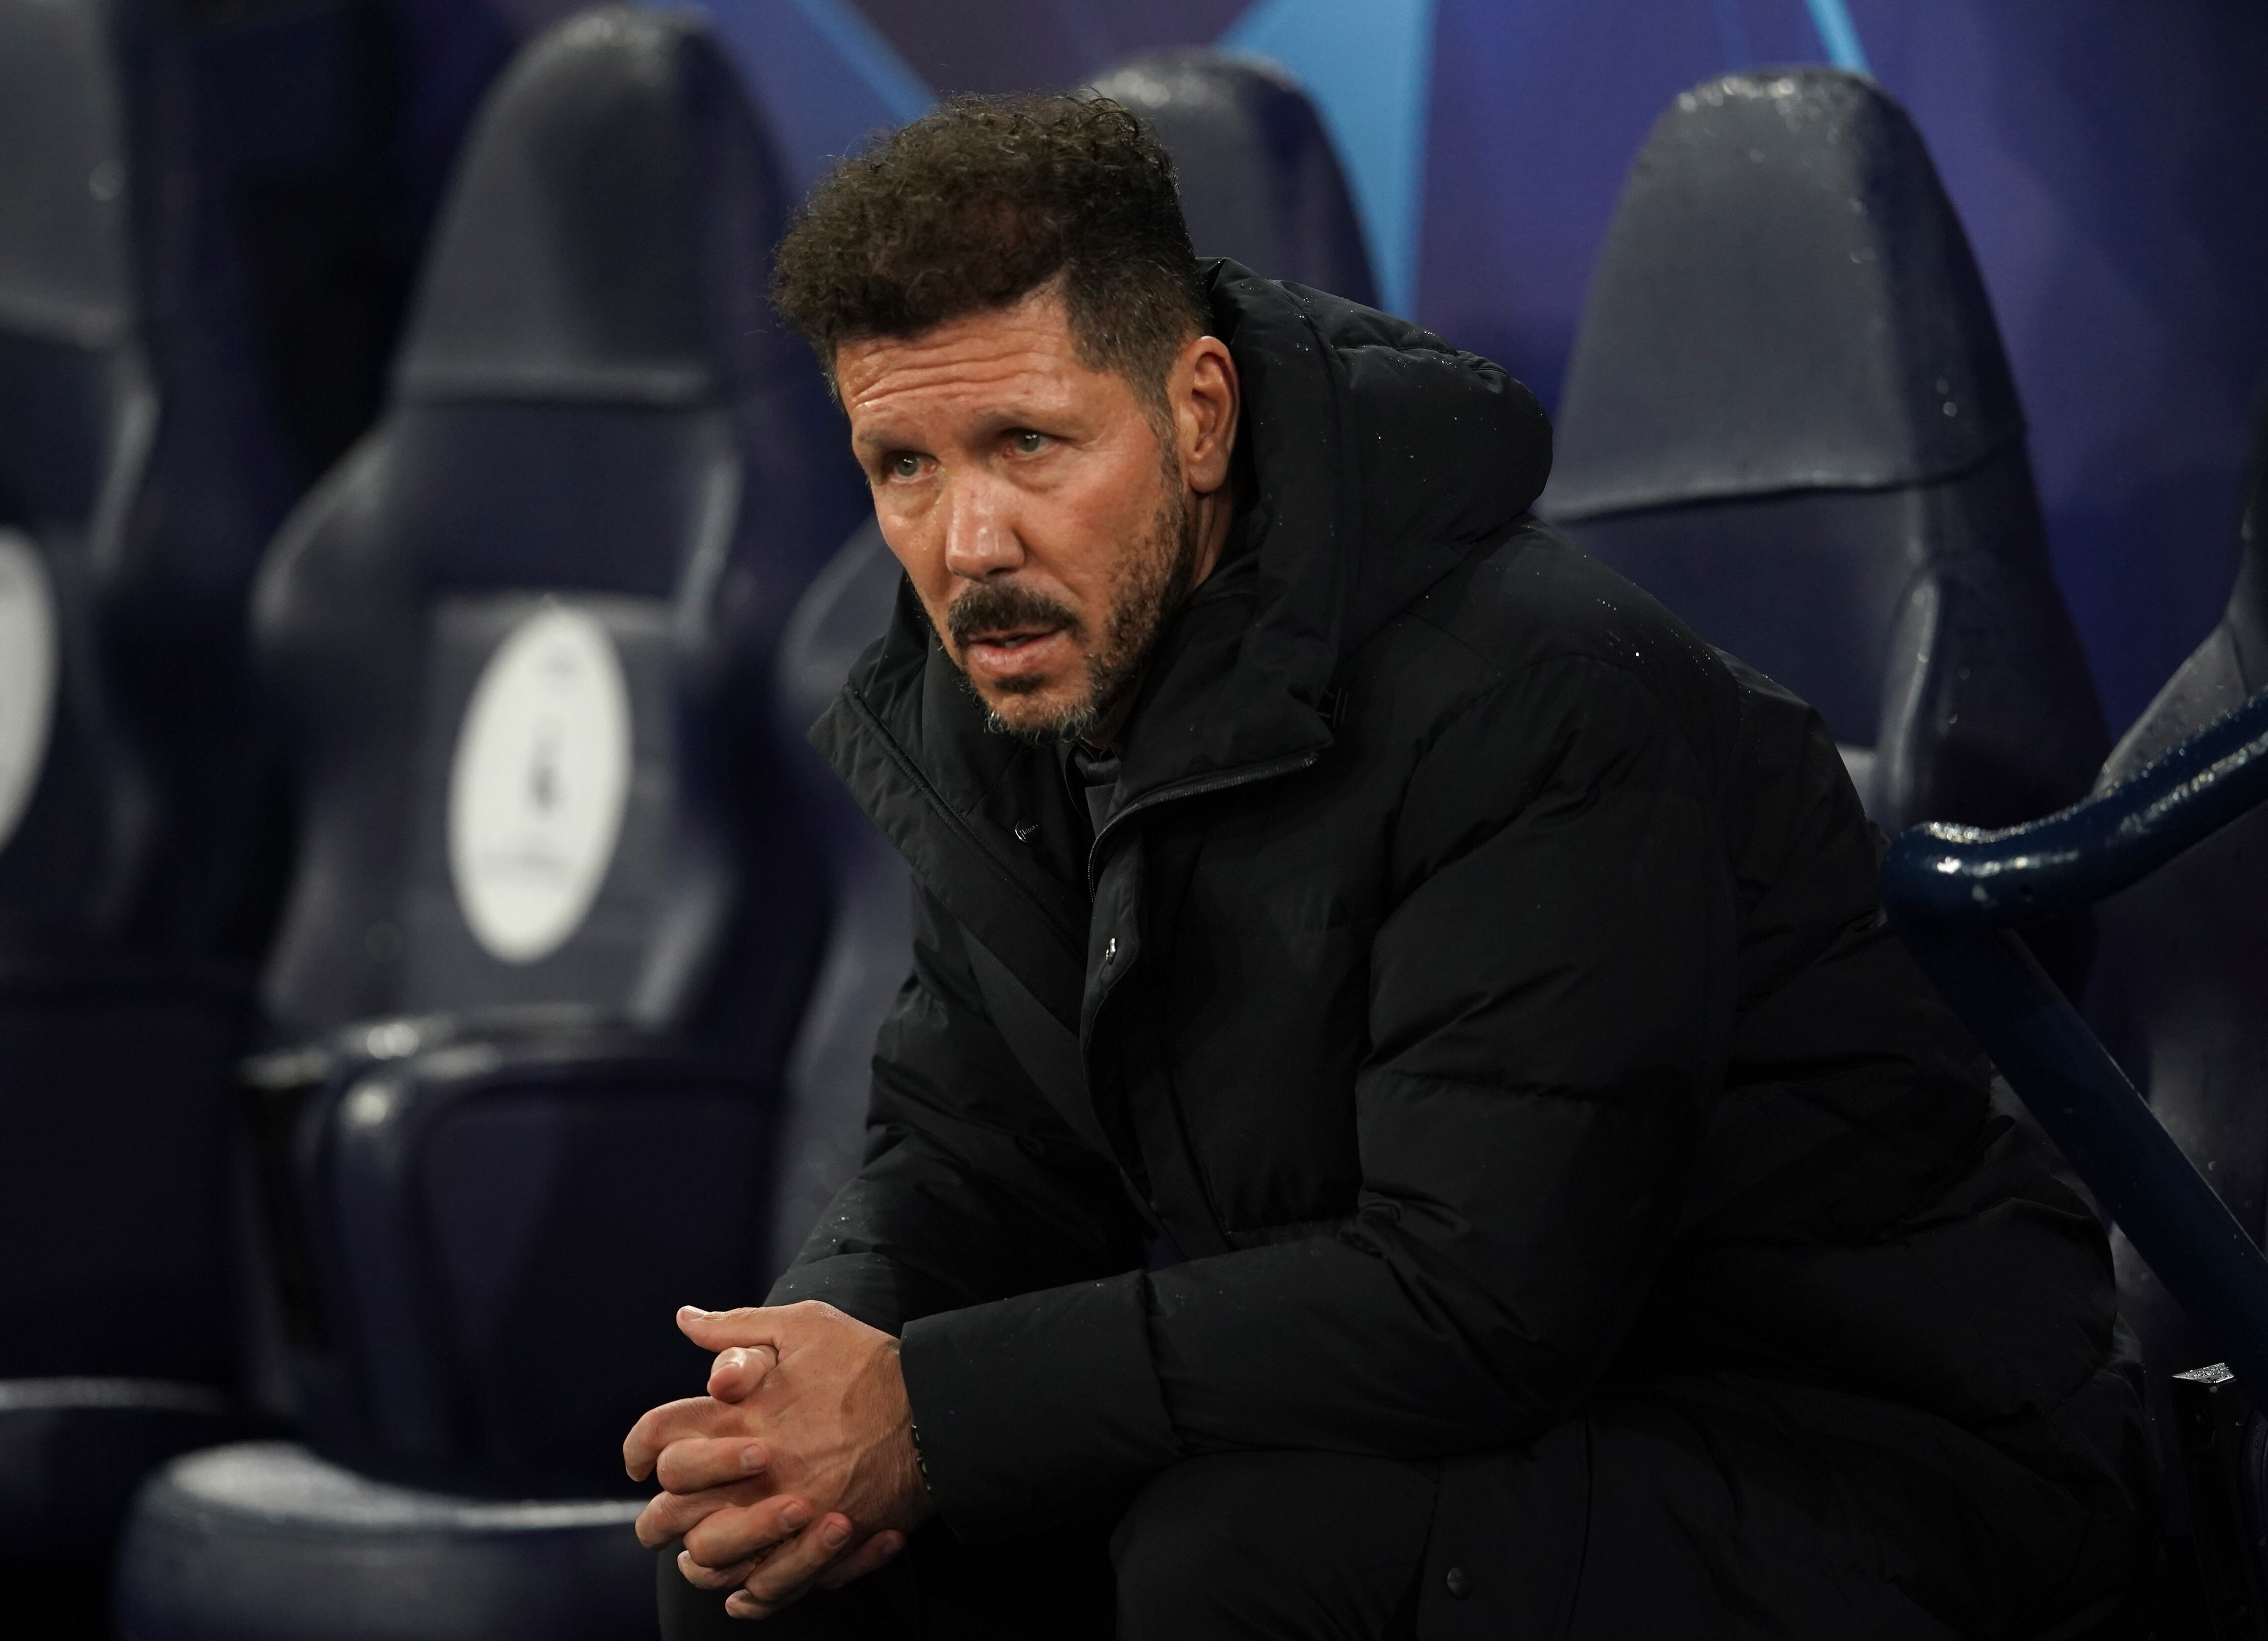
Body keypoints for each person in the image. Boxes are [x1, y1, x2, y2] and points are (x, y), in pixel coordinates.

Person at [624, 94, 2154, 1638]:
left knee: (1245, 1553)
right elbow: (974, 1154)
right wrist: (804, 1386)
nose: (968, 542)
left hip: (1867, 1449)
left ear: (1200, 412)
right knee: (766, 1564)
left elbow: (1481, 1300)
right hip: (1476, 1423)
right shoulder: (1020, 688)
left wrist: (930, 1408)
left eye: (1028, 443)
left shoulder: (1537, 696)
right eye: (902, 466)